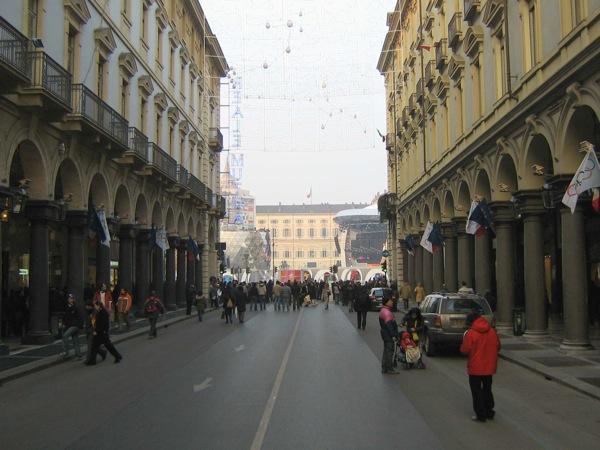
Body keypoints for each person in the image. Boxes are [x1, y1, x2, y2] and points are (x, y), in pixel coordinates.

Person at [460, 312, 501, 422]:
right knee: (487, 389)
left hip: (475, 367)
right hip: (489, 367)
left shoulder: (471, 333)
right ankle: (489, 411)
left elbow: (465, 349)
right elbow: (498, 346)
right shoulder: (492, 331)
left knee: (476, 391)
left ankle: (480, 414)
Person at [378, 297, 400, 374]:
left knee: (386, 350)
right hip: (388, 334)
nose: (392, 302)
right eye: (390, 301)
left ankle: (384, 368)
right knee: (389, 351)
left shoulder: (383, 310)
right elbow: (389, 326)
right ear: (387, 302)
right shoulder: (387, 312)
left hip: (384, 333)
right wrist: (394, 335)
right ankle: (389, 368)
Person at [61, 294, 82, 359]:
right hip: (70, 325)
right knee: (75, 340)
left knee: (65, 336)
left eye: (72, 298)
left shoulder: (75, 307)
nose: (71, 299)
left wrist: (80, 325)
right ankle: (78, 355)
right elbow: (65, 316)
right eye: (70, 298)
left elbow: (79, 317)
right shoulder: (66, 307)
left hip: (74, 326)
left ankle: (66, 353)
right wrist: (63, 323)